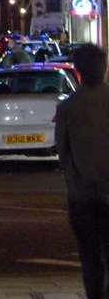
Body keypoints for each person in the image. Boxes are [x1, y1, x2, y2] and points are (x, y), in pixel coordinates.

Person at [56, 43, 109, 299]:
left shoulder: (67, 108)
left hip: (82, 196)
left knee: (90, 257)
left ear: (78, 72)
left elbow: (63, 153)